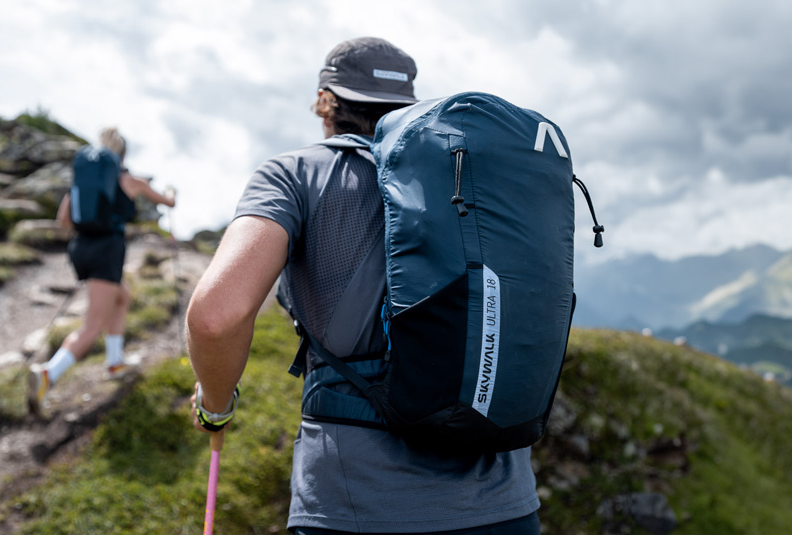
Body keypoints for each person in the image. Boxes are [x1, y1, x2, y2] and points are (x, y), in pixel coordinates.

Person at [186, 38, 541, 534]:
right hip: (505, 504)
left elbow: (214, 317)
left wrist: (215, 407)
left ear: (326, 102)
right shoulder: (471, 178)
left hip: (356, 508)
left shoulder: (296, 174)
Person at [28, 127, 176, 409]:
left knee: (121, 297)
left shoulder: (84, 183)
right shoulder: (129, 180)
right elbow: (167, 202)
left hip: (81, 249)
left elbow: (64, 220)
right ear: (121, 155)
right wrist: (170, 193)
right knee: (92, 326)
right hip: (107, 252)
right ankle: (48, 374)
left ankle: (115, 362)